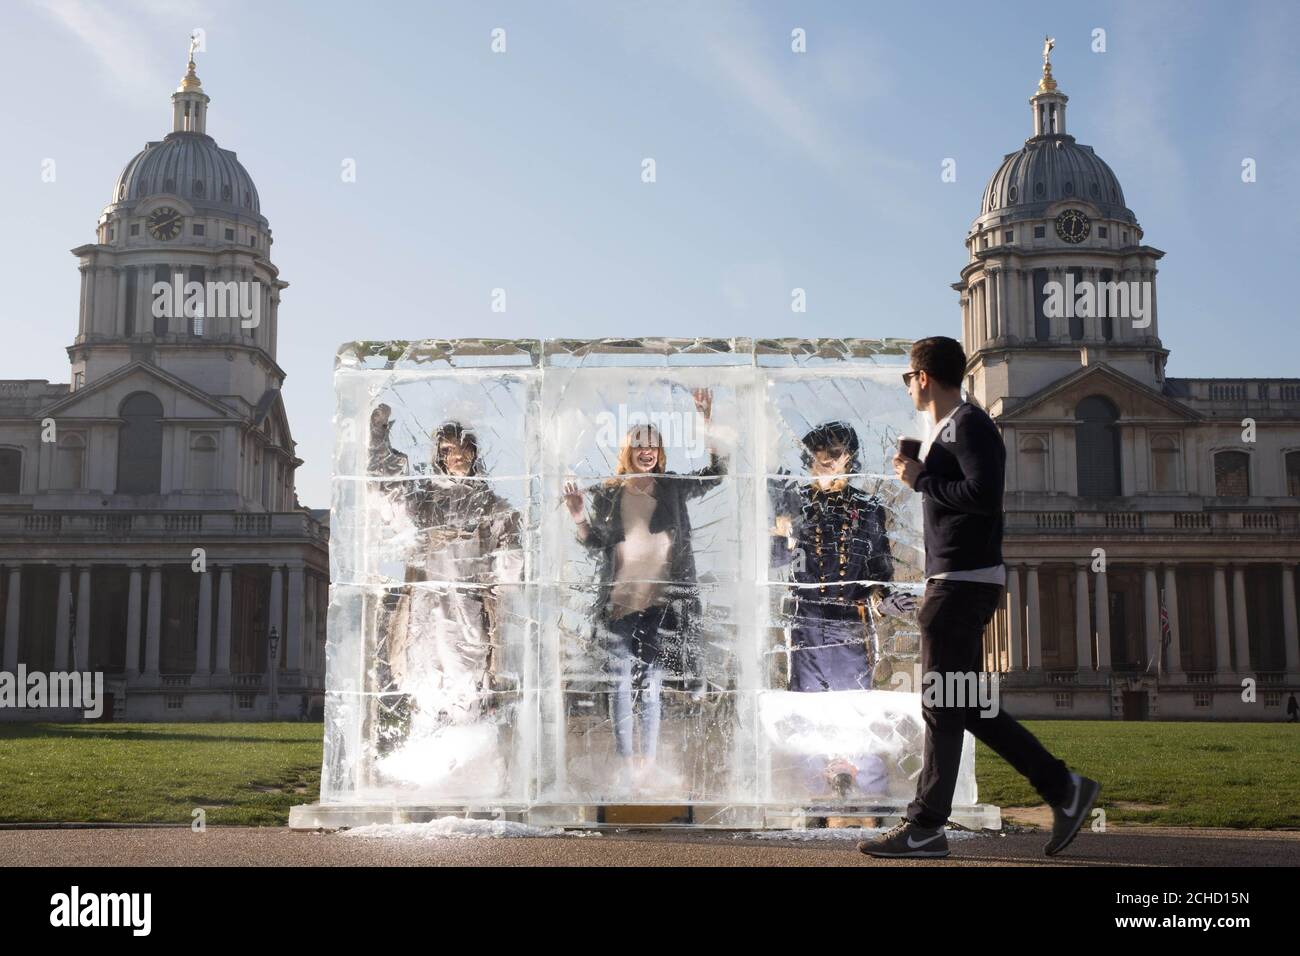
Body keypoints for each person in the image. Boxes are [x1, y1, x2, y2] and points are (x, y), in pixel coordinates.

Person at [859, 336, 1100, 859]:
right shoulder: (951, 428)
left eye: (908, 377)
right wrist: (923, 475)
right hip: (959, 580)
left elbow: (986, 498)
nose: (908, 386)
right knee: (965, 704)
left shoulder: (969, 424)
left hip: (962, 584)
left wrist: (923, 479)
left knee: (941, 707)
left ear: (923, 377)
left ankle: (925, 827)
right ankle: (1064, 788)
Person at [563, 388, 724, 788]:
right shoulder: (608, 492)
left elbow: (718, 471)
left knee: (649, 683)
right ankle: (625, 761)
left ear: (660, 451)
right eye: (639, 445)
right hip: (619, 604)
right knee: (619, 683)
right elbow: (596, 544)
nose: (646, 451)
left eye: (653, 445)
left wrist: (706, 420)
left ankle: (646, 762)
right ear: (628, 450)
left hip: (660, 606)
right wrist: (579, 517)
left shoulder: (671, 487)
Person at [368, 404, 524, 748]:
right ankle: (427, 779)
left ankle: (467, 774)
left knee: (466, 695)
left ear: (474, 452)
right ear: (438, 454)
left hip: (467, 613)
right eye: (447, 449)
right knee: (426, 694)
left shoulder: (491, 505)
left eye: (463, 448)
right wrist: (379, 437)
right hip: (426, 610)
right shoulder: (423, 501)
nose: (456, 455)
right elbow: (389, 496)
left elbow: (509, 564)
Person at [770, 421, 916, 692]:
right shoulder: (794, 502)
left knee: (851, 707)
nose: (826, 459)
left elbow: (879, 570)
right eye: (819, 452)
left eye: (835, 452)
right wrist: (781, 532)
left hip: (851, 626)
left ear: (849, 457)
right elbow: (775, 560)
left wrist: (884, 602)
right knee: (805, 708)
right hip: (807, 624)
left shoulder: (867, 508)